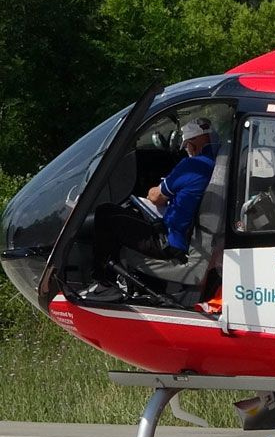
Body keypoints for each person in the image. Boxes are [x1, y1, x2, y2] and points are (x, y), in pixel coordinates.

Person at [80, 118, 219, 302]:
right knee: (131, 217)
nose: (187, 151)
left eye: (186, 146)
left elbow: (155, 197)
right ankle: (145, 287)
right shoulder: (215, 163)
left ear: (192, 145)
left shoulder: (193, 165)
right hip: (189, 236)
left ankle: (105, 285)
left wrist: (158, 189)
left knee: (106, 214)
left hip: (169, 241)